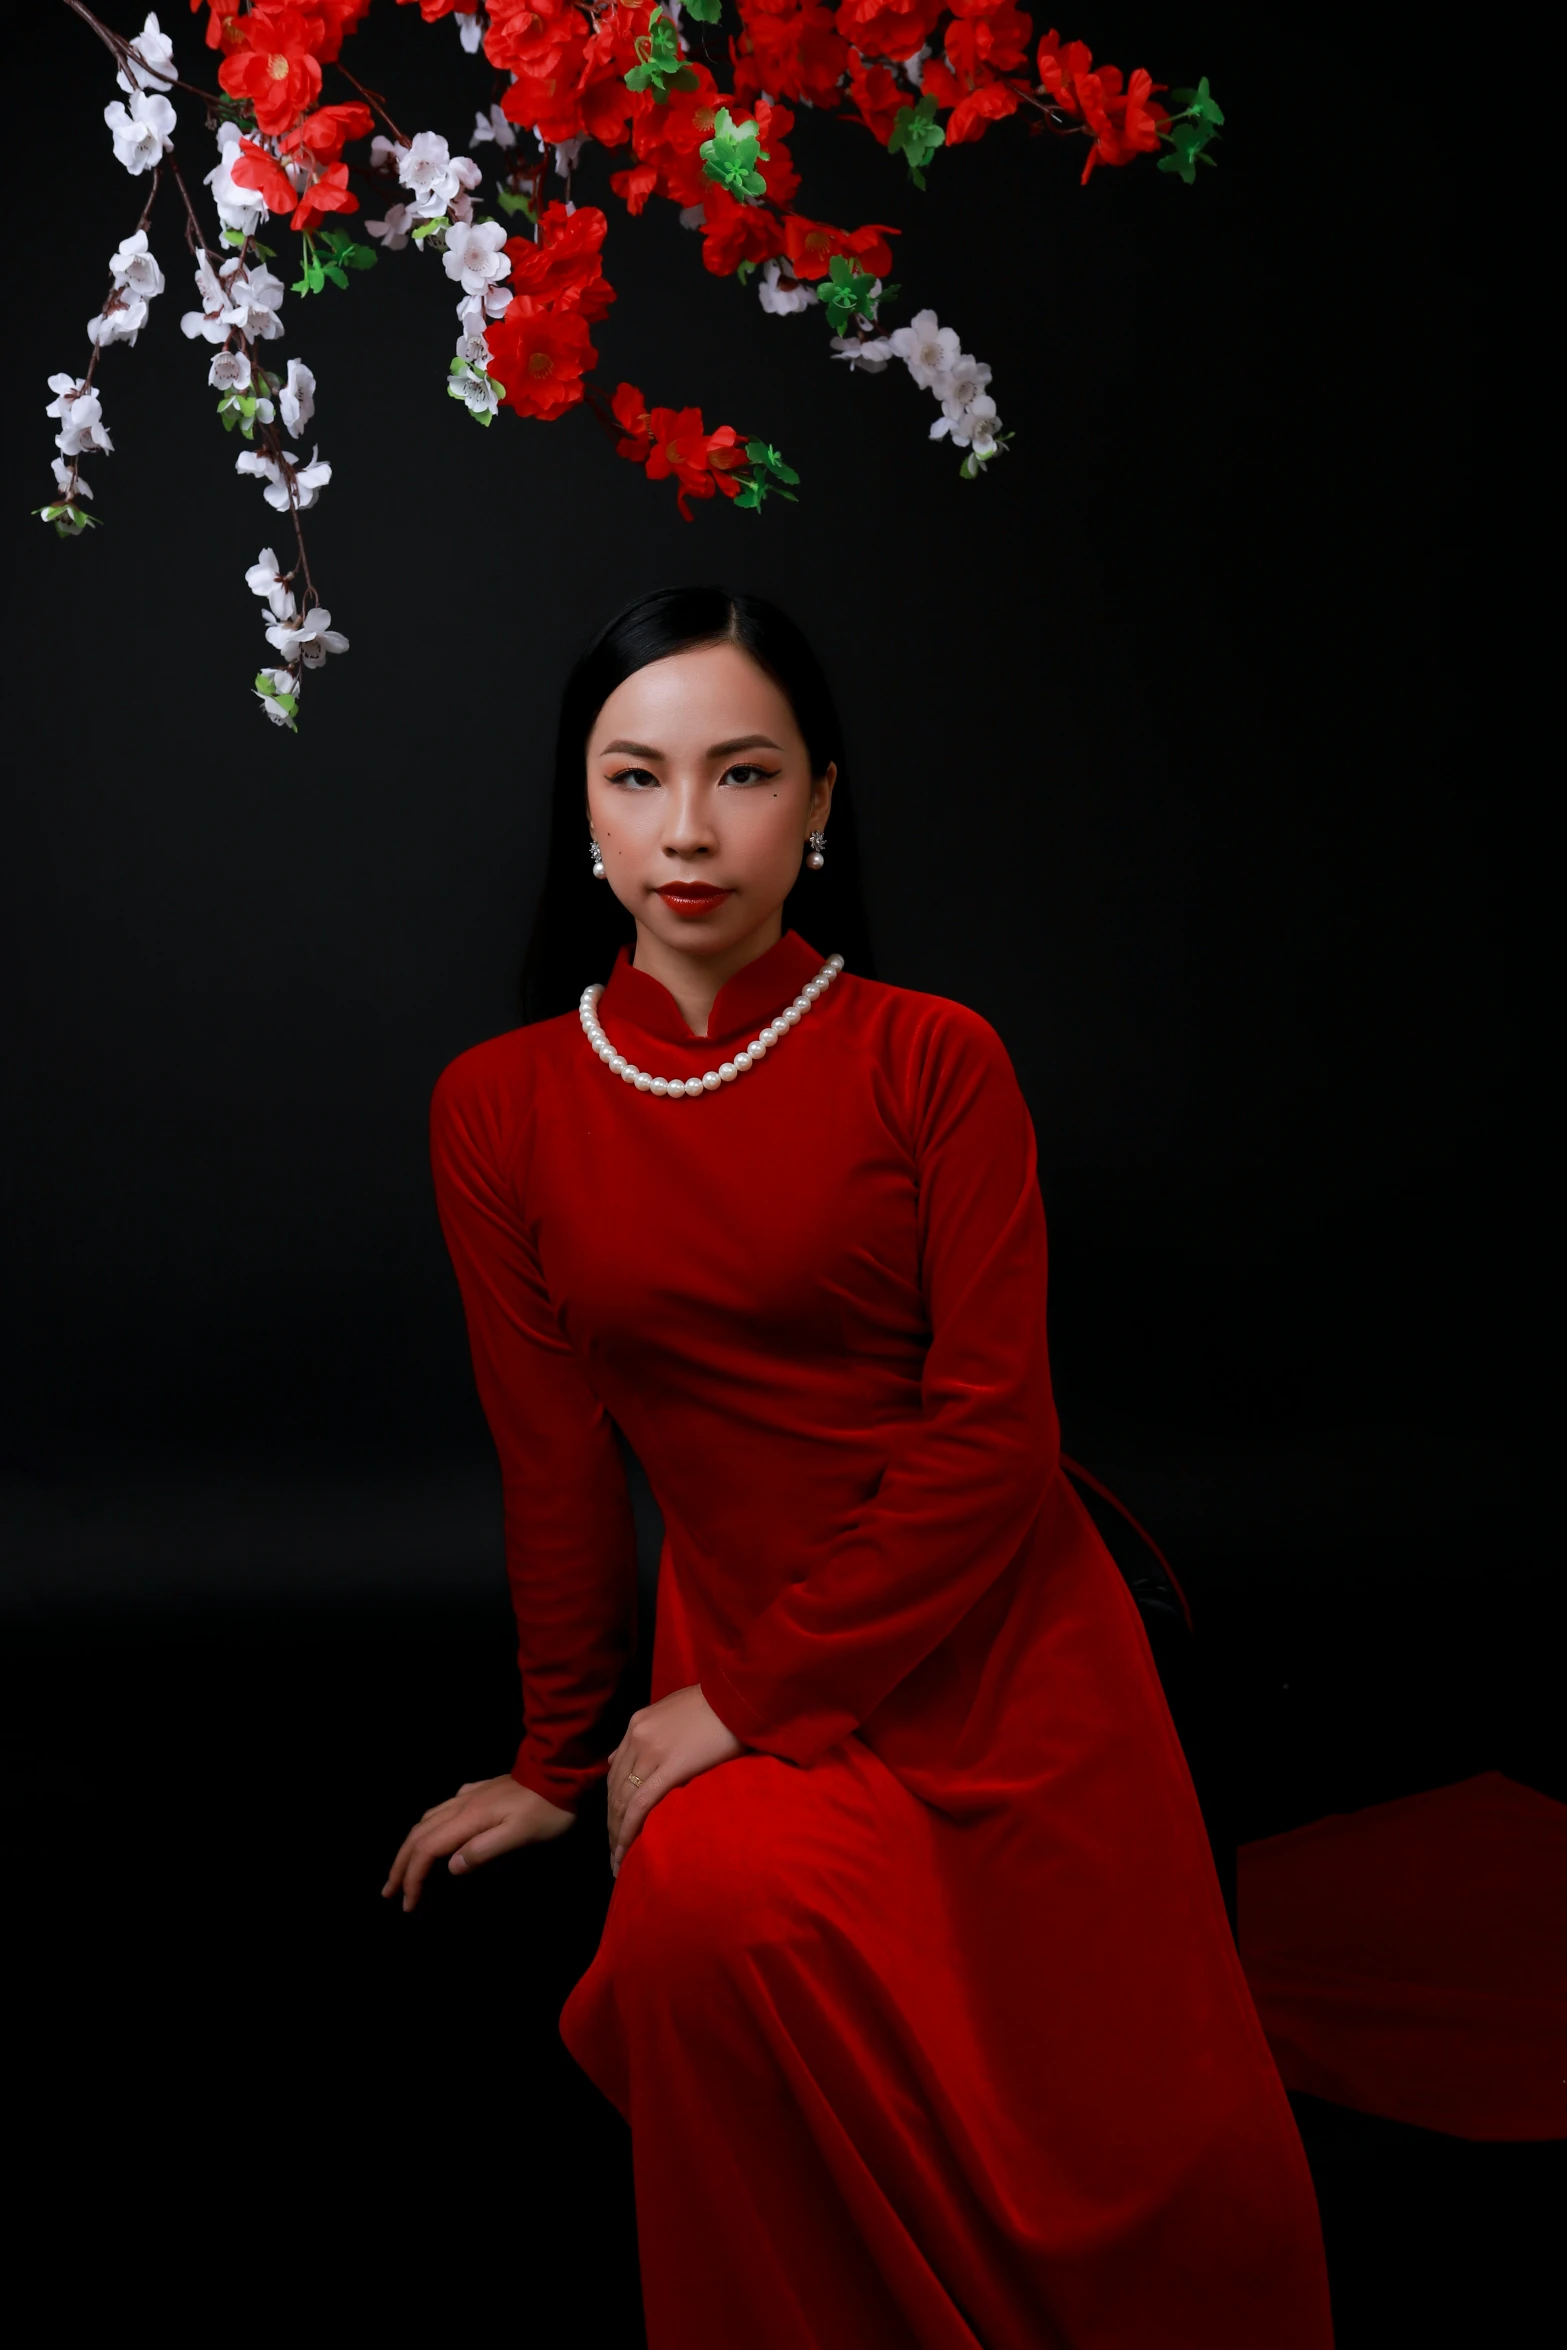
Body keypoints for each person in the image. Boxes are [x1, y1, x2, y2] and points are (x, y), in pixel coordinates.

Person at [383, 587, 1333, 2348]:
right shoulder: (497, 1107)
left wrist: (741, 1695)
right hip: (741, 1639)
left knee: (1132, 2146)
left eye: (740, 773)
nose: (684, 829)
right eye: (633, 776)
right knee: (704, 1930)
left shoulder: (930, 1059)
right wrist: (554, 1750)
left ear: (821, 802)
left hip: (998, 1648)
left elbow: (996, 1438)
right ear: (579, 814)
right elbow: (555, 1467)